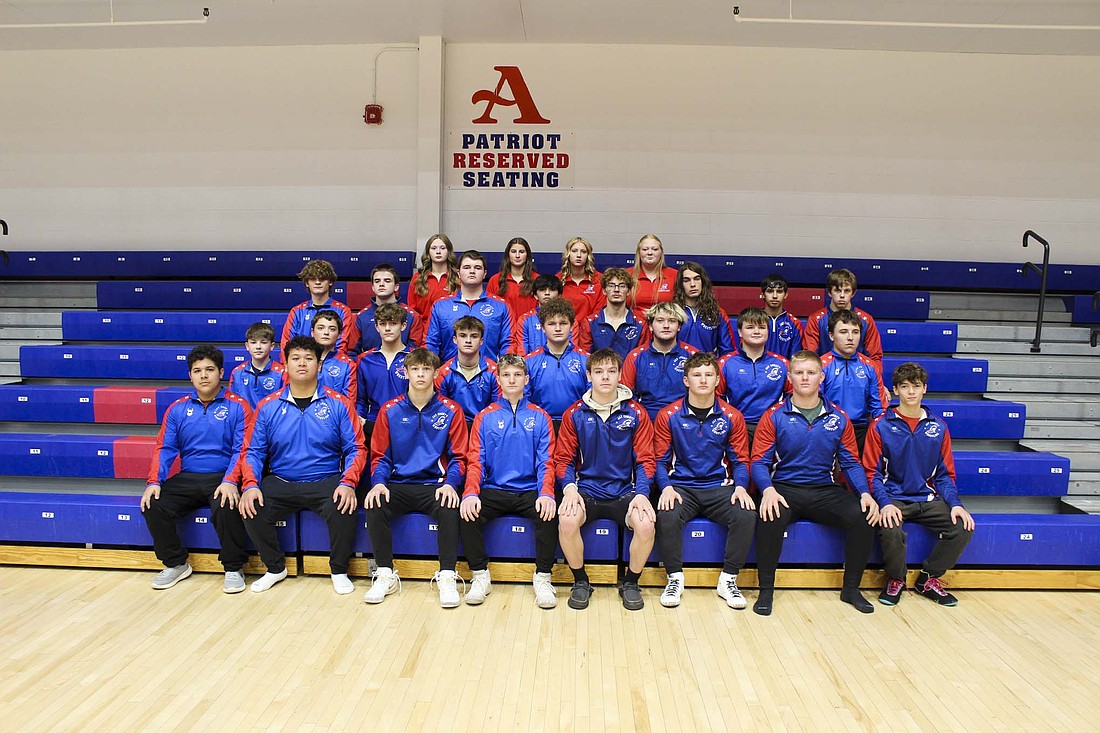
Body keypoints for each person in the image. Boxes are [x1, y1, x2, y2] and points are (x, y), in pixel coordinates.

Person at [750, 350, 880, 616]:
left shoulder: (838, 417)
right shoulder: (774, 415)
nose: (805, 378)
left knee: (863, 516)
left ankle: (851, 589)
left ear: (822, 377)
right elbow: (759, 463)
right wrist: (768, 490)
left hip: (824, 489)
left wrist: (865, 493)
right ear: (790, 378)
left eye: (811, 372)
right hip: (785, 488)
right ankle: (766, 591)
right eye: (799, 373)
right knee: (769, 515)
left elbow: (851, 463)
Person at [239, 336, 366, 595]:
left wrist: (348, 482)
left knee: (344, 505)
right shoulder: (267, 406)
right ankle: (275, 567)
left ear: (319, 365)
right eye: (295, 358)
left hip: (326, 479)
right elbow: (253, 451)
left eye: (309, 359)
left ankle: (339, 569)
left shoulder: (339, 403)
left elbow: (356, 448)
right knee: (250, 504)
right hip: (282, 480)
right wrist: (251, 484)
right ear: (284, 365)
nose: (302, 364)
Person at [863, 362, 975, 607]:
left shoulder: (938, 427)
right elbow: (871, 472)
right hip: (894, 497)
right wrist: (884, 503)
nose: (911, 392)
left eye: (916, 386)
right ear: (895, 390)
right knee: (890, 526)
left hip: (926, 498)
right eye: (905, 387)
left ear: (925, 389)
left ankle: (928, 578)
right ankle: (896, 579)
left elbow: (945, 475)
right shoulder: (881, 426)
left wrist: (955, 504)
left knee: (963, 525)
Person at [141, 345, 252, 593]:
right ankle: (176, 563)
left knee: (227, 503)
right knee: (153, 503)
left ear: (221, 372)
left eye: (209, 370)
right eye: (197, 370)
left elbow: (241, 450)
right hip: (189, 476)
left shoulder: (239, 407)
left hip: (224, 475)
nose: (204, 375)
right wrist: (153, 482)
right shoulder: (177, 409)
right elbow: (165, 448)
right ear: (190, 376)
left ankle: (233, 567)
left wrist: (231, 481)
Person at [364, 348, 469, 608]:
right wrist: (378, 482)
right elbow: (380, 455)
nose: (420, 374)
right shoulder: (389, 410)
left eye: (426, 369)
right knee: (375, 502)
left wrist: (450, 484)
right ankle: (385, 573)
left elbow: (459, 457)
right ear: (407, 372)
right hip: (398, 484)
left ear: (435, 373)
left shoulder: (451, 410)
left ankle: (446, 575)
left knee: (449, 505)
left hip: (434, 485)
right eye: (415, 369)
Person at [555, 348, 656, 611]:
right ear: (589, 375)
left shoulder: (636, 413)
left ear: (620, 375)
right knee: (566, 520)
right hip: (586, 490)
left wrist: (642, 493)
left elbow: (645, 459)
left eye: (611, 371)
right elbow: (563, 459)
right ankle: (580, 581)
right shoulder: (574, 414)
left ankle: (631, 582)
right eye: (599, 372)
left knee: (646, 525)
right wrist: (569, 489)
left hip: (625, 491)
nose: (605, 377)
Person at [654, 352, 755, 609]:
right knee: (666, 512)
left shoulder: (732, 417)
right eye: (697, 375)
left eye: (709, 375)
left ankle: (729, 579)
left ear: (717, 380)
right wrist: (665, 488)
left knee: (745, 513)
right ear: (686, 380)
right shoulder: (669, 415)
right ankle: (674, 578)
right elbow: (659, 460)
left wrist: (741, 487)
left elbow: (741, 460)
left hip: (717, 487)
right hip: (682, 487)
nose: (703, 380)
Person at [460, 354, 559, 608]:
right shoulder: (485, 417)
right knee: (466, 513)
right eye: (506, 375)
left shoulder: (540, 417)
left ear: (526, 379)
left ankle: (543, 577)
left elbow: (546, 462)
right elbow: (476, 461)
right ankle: (480, 575)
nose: (512, 379)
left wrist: (546, 493)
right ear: (498, 379)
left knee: (549, 513)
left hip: (529, 489)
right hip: (495, 488)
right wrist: (471, 492)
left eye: (517, 375)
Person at [717, 307, 789, 445]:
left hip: (773, 428)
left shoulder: (782, 364)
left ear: (768, 331)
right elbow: (716, 399)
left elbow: (792, 397)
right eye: (750, 327)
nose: (756, 331)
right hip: (736, 427)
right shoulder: (724, 363)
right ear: (739, 331)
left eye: (762, 327)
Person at [425, 249, 512, 362]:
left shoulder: (501, 306)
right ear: (458, 272)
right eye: (466, 267)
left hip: (489, 375)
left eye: (477, 268)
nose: (472, 271)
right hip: (449, 375)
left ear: (485, 273)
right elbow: (431, 343)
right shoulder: (440, 306)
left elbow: (508, 343)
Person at [820, 310, 886, 452]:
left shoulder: (870, 366)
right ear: (831, 335)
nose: (850, 337)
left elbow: (879, 407)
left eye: (855, 332)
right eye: (843, 332)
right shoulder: (820, 366)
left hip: (861, 431)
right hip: (828, 429)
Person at [621, 302, 697, 420]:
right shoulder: (635, 357)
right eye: (660, 320)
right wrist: (642, 420)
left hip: (684, 420)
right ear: (651, 326)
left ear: (679, 326)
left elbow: (701, 394)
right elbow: (626, 396)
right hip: (645, 420)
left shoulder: (693, 356)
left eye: (672, 321)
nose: (666, 325)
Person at [524, 297, 589, 424]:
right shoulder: (529, 362)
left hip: (577, 425)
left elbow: (593, 399)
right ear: (543, 328)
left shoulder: (587, 360)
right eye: (552, 323)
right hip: (540, 425)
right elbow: (524, 401)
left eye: (563, 323)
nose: (558, 328)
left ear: (571, 326)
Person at [802, 268, 883, 369]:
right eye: (837, 290)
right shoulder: (816, 319)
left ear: (853, 293)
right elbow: (810, 356)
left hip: (858, 375)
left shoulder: (866, 320)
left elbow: (874, 357)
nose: (842, 295)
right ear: (829, 292)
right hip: (825, 375)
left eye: (847, 291)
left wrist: (875, 382)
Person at [355, 302, 412, 444]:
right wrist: (360, 418)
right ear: (376, 327)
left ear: (403, 326)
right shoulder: (365, 360)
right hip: (373, 423)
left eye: (393, 323)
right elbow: (361, 399)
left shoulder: (415, 358)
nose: (387, 328)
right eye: (382, 324)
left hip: (407, 422)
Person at [281, 259, 357, 356]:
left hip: (331, 366)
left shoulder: (343, 311)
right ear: (306, 283)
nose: (317, 282)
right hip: (301, 365)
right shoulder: (297, 311)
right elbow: (287, 345)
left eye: (322, 278)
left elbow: (341, 345)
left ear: (330, 282)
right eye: (313, 279)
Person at [435, 315, 499, 422]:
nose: (468, 340)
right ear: (455, 340)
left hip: (485, 424)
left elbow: (497, 409)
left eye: (474, 336)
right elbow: (442, 410)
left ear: (481, 341)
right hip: (454, 426)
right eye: (463, 335)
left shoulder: (494, 372)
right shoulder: (443, 373)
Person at [574, 268, 649, 358]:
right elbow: (585, 358)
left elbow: (642, 360)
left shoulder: (640, 325)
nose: (616, 290)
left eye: (622, 286)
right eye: (611, 285)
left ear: (628, 291)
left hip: (630, 371)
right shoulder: (590, 323)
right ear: (604, 291)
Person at [351, 264, 421, 356]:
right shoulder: (361, 317)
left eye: (387, 281)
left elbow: (416, 353)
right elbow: (352, 353)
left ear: (396, 287)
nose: (381, 284)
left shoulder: (412, 316)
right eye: (377, 281)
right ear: (372, 287)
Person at [672, 261, 735, 355]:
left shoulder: (717, 313)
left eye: (697, 279)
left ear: (703, 282)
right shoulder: (672, 313)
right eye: (686, 280)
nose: (692, 284)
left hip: (708, 367)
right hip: (678, 367)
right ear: (680, 285)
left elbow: (727, 352)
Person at [227, 321, 285, 409]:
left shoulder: (282, 372)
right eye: (253, 342)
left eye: (263, 342)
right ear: (247, 346)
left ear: (272, 346)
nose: (258, 347)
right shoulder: (237, 372)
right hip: (244, 421)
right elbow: (232, 404)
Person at [407, 233, 459, 329]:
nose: (438, 251)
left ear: (449, 251)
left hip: (452, 329)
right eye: (434, 248)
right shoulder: (418, 278)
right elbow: (412, 310)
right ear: (428, 252)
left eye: (443, 248)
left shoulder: (458, 277)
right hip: (424, 330)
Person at [512, 274, 566, 357]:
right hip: (532, 367)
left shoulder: (568, 319)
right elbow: (522, 354)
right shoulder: (525, 320)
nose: (547, 293)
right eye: (542, 290)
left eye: (552, 290)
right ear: (535, 295)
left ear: (559, 295)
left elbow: (571, 350)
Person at [313, 309, 358, 406]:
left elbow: (349, 402)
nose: (326, 332)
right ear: (312, 332)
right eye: (321, 328)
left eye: (332, 329)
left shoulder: (347, 364)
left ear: (339, 335)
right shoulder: (303, 360)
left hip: (335, 417)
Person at [487, 236, 539, 317]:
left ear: (527, 255)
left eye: (521, 252)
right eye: (513, 251)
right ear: (508, 255)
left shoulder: (537, 279)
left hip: (530, 327)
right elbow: (489, 309)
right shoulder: (495, 280)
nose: (517, 255)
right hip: (504, 328)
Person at [559, 236, 605, 324]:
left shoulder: (599, 280)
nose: (579, 255)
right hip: (564, 330)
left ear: (588, 255)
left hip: (591, 330)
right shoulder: (558, 280)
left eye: (583, 252)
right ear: (568, 254)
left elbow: (600, 312)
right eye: (574, 251)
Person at [758, 274, 804, 360]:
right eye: (770, 291)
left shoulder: (794, 323)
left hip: (785, 371)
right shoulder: (754, 321)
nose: (775, 296)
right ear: (763, 295)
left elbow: (795, 358)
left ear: (786, 295)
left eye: (779, 291)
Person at [629, 234, 678, 313]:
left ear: (661, 253)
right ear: (639, 253)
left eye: (655, 249)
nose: (650, 253)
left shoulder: (675, 275)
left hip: (664, 323)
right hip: (633, 323)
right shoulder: (627, 275)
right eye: (645, 249)